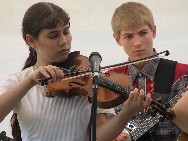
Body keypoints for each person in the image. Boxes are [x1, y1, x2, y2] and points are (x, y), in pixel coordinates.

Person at [0, 2, 151, 141]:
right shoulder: (18, 80)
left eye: (66, 32)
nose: (63, 41)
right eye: (53, 35)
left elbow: (99, 137)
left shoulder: (90, 78)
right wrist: (31, 80)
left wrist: (127, 112)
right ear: (31, 40)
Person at [108, 2, 188, 141]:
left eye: (143, 33)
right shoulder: (109, 79)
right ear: (117, 39)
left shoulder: (183, 74)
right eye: (128, 36)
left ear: (154, 31)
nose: (137, 42)